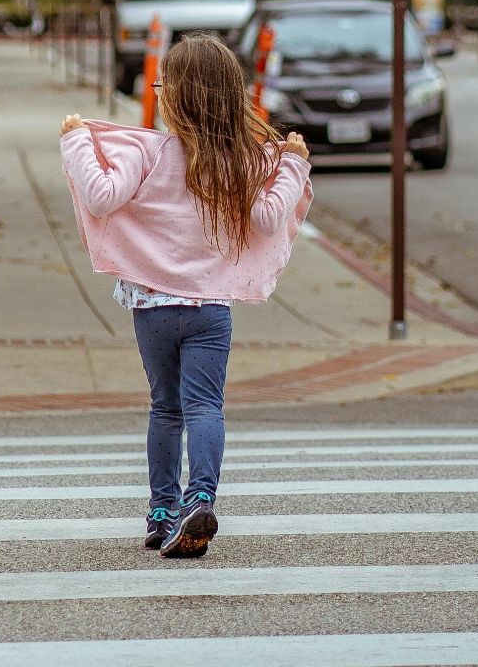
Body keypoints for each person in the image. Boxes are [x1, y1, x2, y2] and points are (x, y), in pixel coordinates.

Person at [59, 35, 311, 559]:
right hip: (211, 310)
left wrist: (77, 138)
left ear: (172, 97)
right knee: (205, 406)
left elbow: (100, 194)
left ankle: (161, 511)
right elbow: (268, 217)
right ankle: (201, 497)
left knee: (164, 408)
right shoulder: (240, 163)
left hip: (152, 307)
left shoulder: (148, 152)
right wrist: (291, 164)